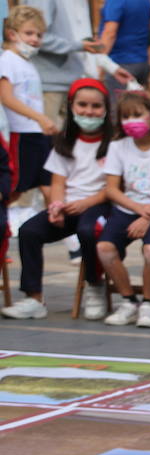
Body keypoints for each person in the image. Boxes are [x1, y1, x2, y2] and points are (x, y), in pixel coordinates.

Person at [2, 77, 110, 321]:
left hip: (101, 204)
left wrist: (86, 203)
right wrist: (56, 206)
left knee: (87, 230)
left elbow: (114, 187)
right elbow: (58, 182)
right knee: (30, 231)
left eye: (95, 107)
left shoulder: (114, 143)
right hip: (69, 205)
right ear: (72, 107)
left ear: (105, 109)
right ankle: (34, 297)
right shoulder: (64, 141)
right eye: (82, 105)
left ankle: (94, 286)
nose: (88, 112)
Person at [96, 91, 150, 328]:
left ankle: (147, 304)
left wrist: (148, 216)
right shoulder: (118, 146)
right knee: (104, 248)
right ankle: (128, 301)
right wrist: (138, 209)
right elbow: (112, 189)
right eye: (126, 116)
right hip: (129, 207)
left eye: (137, 115)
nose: (131, 120)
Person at [2, 5, 59, 209]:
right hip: (21, 135)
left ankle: (63, 230)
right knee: (15, 189)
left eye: (39, 35)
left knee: (49, 185)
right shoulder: (8, 61)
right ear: (12, 33)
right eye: (29, 33)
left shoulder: (28, 63)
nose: (34, 39)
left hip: (37, 133)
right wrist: (40, 118)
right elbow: (7, 98)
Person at [95, 0, 150, 94]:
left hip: (120, 63)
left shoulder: (116, 1)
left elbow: (110, 33)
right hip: (142, 62)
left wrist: (99, 63)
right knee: (135, 105)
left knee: (117, 106)